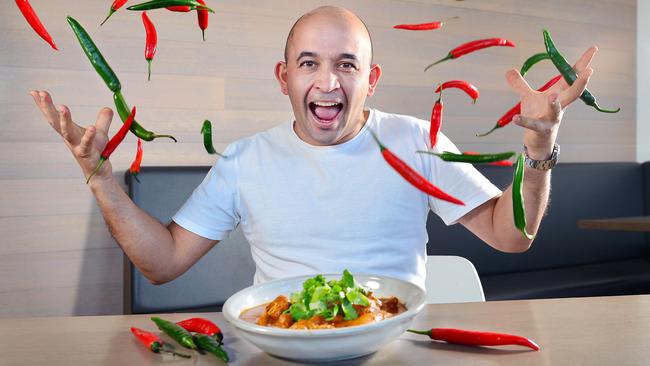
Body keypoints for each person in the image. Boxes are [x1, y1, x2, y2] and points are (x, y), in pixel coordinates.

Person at [30, 6, 595, 289]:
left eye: (347, 65)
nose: (328, 83)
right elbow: (162, 263)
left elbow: (512, 236)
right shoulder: (244, 161)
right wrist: (102, 179)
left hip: (392, 344)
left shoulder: (416, 140)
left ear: (371, 81)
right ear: (284, 77)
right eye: (310, 64)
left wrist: (537, 147)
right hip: (283, 345)